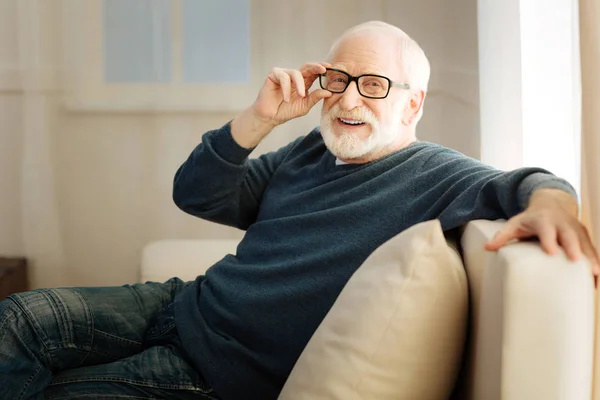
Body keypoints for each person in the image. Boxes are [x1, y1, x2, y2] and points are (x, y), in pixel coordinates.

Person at [1, 21, 598, 400]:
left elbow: (525, 182)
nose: (347, 99)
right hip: (184, 304)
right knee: (13, 321)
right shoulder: (314, 147)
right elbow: (197, 193)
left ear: (413, 104)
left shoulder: (436, 175)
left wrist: (554, 202)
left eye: (373, 84)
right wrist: (259, 120)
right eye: (338, 79)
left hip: (217, 374)